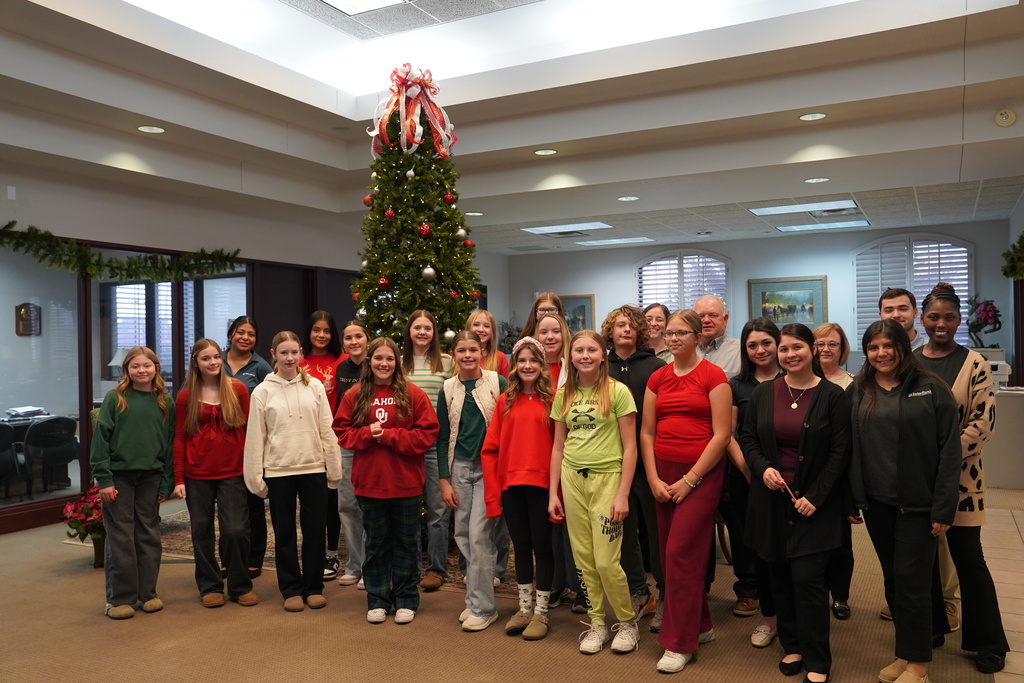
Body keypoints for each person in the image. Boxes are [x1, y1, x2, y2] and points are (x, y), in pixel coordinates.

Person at [849, 320, 960, 683]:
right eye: (873, 347)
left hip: (919, 504)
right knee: (894, 582)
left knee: (910, 581)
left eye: (888, 346)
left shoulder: (930, 388)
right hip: (878, 504)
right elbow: (850, 447)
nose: (881, 353)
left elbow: (949, 453)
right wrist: (854, 498)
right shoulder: (860, 389)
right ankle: (908, 649)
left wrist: (943, 507)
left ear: (902, 346)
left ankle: (917, 666)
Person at [740, 323, 851, 683]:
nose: (790, 355)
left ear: (813, 350)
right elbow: (748, 439)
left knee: (809, 582)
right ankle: (792, 646)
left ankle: (818, 661)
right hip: (771, 502)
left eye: (797, 348)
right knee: (779, 579)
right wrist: (763, 468)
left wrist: (815, 498)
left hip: (813, 507)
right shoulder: (763, 393)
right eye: (784, 349)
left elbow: (839, 453)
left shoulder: (833, 396)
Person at [914, 283, 1008, 674]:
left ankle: (988, 641)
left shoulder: (975, 364)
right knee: (921, 560)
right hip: (916, 481)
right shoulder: (910, 361)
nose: (941, 324)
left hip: (961, 483)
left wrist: (939, 458)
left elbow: (982, 425)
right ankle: (931, 628)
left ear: (959, 321)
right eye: (933, 317)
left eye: (949, 318)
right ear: (922, 319)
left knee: (969, 558)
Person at [640, 309, 731, 673]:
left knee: (680, 554)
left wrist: (690, 479)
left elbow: (722, 435)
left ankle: (680, 643)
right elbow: (647, 432)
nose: (673, 338)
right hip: (662, 474)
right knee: (669, 555)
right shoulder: (657, 378)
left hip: (701, 475)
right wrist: (652, 478)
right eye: (669, 333)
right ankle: (702, 625)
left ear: (697, 337)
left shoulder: (714, 375)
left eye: (681, 332)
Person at [334, 337, 440, 625]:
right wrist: (368, 434)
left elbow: (426, 435)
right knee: (377, 544)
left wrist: (391, 436)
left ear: (397, 362)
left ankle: (406, 598)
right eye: (378, 358)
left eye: (389, 359)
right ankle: (378, 598)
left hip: (405, 482)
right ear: (369, 361)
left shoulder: (413, 394)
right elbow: (342, 432)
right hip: (370, 483)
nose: (384, 364)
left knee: (407, 543)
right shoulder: (355, 395)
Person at [548, 330, 640, 655]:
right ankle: (597, 622)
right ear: (570, 357)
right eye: (579, 351)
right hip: (572, 480)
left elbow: (631, 448)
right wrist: (553, 493)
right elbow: (558, 448)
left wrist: (623, 494)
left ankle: (627, 623)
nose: (585, 355)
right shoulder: (564, 395)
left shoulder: (618, 392)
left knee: (606, 562)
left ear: (603, 355)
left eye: (591, 350)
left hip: (608, 480)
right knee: (584, 559)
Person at [243, 331, 341, 612]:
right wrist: (255, 477)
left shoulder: (316, 387)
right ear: (273, 355)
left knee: (314, 529)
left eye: (294, 352)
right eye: (283, 353)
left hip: (313, 468)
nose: (290, 358)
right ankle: (291, 588)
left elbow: (327, 428)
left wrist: (333, 469)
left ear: (301, 354)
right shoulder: (262, 391)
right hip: (278, 471)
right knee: (284, 532)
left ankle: (313, 586)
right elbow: (256, 436)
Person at [90, 346, 176, 619]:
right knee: (121, 536)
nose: (142, 371)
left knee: (148, 534)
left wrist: (166, 482)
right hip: (119, 477)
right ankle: (119, 598)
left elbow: (171, 444)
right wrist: (104, 479)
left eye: (147, 366)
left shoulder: (165, 401)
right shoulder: (115, 399)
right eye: (135, 366)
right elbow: (100, 441)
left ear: (156, 369)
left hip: (151, 476)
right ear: (126, 370)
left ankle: (147, 594)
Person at [172, 339, 257, 609]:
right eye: (206, 358)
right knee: (201, 531)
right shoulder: (186, 395)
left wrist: (252, 467)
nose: (213, 363)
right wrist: (178, 478)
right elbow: (180, 437)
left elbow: (248, 432)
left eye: (217, 357)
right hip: (197, 473)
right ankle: (209, 585)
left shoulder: (238, 389)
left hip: (233, 471)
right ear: (195, 363)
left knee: (235, 530)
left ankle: (239, 585)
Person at [481, 337, 556, 639]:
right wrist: (492, 494)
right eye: (522, 360)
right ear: (514, 365)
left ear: (542, 365)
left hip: (543, 486)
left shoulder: (553, 399)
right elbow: (490, 450)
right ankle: (524, 608)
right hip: (512, 486)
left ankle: (543, 612)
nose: (528, 366)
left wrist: (558, 492)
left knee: (543, 548)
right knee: (520, 547)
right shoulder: (505, 401)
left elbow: (561, 447)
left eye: (534, 361)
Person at [437, 331, 508, 631]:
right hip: (460, 469)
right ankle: (473, 599)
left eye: (473, 350)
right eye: (461, 350)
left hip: (488, 468)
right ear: (453, 354)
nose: (467, 355)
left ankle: (484, 607)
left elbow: (507, 424)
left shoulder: (497, 382)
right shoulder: (448, 387)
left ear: (483, 351)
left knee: (480, 536)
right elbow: (442, 437)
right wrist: (443, 479)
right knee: (464, 534)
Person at [601, 305, 665, 627]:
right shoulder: (601, 366)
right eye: (619, 325)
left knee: (656, 534)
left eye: (631, 325)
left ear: (640, 331)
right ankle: (640, 592)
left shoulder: (656, 366)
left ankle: (666, 595)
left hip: (649, 463)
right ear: (610, 331)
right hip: (612, 464)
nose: (625, 330)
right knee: (622, 534)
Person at [729, 317, 781, 647]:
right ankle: (761, 606)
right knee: (754, 544)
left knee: (786, 547)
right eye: (752, 345)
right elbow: (730, 434)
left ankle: (790, 608)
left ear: (778, 343)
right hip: (746, 476)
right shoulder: (737, 386)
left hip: (787, 478)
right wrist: (750, 471)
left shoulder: (795, 379)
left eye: (766, 343)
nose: (759, 350)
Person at [401, 310, 454, 592]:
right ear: (409, 331)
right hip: (407, 445)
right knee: (407, 509)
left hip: (435, 444)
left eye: (428, 328)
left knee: (438, 510)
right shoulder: (399, 363)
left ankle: (436, 569)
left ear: (434, 333)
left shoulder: (446, 361)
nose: (422, 332)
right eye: (417, 327)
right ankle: (409, 566)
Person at [813, 322, 857, 622]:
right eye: (819, 343)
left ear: (842, 350)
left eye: (832, 344)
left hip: (840, 475)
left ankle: (839, 595)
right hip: (807, 472)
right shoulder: (800, 380)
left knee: (840, 542)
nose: (825, 349)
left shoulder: (853, 385)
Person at [223, 315, 273, 579]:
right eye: (240, 332)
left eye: (251, 334)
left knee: (253, 501)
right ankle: (227, 557)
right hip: (220, 444)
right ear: (231, 334)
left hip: (251, 442)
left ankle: (255, 558)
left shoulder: (261, 367)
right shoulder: (214, 361)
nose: (245, 337)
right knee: (227, 505)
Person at [299, 310, 345, 581]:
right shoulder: (298, 360)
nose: (321, 335)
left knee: (331, 498)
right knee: (309, 500)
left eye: (326, 331)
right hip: (304, 438)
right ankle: (311, 550)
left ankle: (331, 552)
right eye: (316, 330)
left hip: (332, 438)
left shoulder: (340, 361)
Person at [333, 320, 370, 587]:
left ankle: (371, 566)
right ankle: (354, 565)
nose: (353, 341)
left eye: (358, 336)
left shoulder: (378, 363)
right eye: (348, 338)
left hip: (373, 443)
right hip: (348, 444)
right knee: (347, 505)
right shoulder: (341, 368)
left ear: (367, 339)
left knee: (369, 506)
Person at [693, 295, 740, 379]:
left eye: (713, 315)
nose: (706, 320)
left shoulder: (741, 352)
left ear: (725, 319)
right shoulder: (684, 352)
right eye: (701, 316)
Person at [467, 309, 510, 378]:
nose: (481, 329)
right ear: (468, 328)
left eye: (486, 326)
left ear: (492, 331)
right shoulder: (460, 356)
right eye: (476, 325)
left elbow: (507, 387)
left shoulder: (500, 357)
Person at [536, 312, 570, 388]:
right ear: (537, 336)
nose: (550, 337)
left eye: (556, 331)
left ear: (564, 334)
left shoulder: (575, 366)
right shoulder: (530, 367)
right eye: (544, 332)